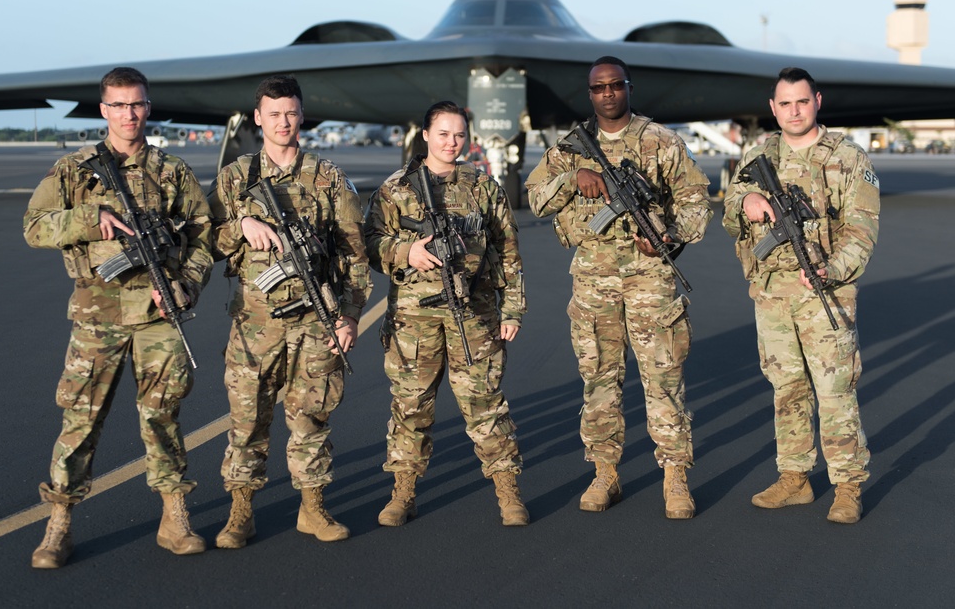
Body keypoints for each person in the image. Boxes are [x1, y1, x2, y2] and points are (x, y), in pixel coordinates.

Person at [25, 67, 213, 568]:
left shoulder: (172, 171)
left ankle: (175, 517)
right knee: (80, 420)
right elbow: (34, 227)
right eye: (119, 105)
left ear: (148, 108)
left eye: (138, 104)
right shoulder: (74, 170)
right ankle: (59, 525)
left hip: (158, 315)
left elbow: (203, 237)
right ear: (103, 110)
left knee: (163, 417)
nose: (129, 114)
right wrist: (89, 220)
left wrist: (186, 283)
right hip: (97, 317)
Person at [525, 56, 712, 519]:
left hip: (652, 279)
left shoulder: (661, 141)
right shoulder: (571, 148)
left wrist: (669, 239)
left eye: (615, 85)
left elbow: (696, 203)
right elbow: (535, 199)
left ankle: (675, 478)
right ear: (590, 94)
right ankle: (605, 473)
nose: (607, 93)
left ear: (628, 87)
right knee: (599, 381)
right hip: (593, 279)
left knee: (664, 380)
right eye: (598, 87)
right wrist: (575, 177)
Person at [208, 75, 370, 547]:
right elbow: (206, 244)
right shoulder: (236, 178)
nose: (283, 122)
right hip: (254, 327)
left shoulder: (327, 177)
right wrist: (241, 222)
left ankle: (313, 510)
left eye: (291, 113)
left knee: (312, 421)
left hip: (315, 323)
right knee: (247, 423)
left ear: (302, 116)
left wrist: (351, 315)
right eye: (273, 114)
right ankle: (240, 514)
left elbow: (354, 253)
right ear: (258, 118)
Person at [723, 67, 878, 524]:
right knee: (786, 388)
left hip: (825, 291)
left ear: (818, 102)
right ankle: (794, 478)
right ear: (773, 108)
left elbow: (862, 232)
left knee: (835, 389)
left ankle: (847, 486)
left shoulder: (848, 157)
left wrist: (832, 269)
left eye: (802, 102)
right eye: (785, 103)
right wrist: (746, 205)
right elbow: (731, 213)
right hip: (772, 293)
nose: (794, 111)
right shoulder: (758, 156)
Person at [364, 100, 528, 527]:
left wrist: (512, 308)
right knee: (411, 407)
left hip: (474, 314)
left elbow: (507, 248)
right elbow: (368, 243)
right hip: (414, 319)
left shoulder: (483, 187)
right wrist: (406, 250)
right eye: (443, 133)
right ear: (425, 135)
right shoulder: (395, 188)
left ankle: (508, 492)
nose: (452, 142)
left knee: (485, 405)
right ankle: (402, 492)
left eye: (459, 135)